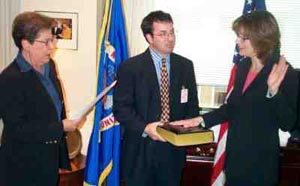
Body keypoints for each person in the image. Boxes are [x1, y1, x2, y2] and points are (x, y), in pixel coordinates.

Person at [172, 10, 299, 185]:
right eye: (238, 36)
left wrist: (273, 92)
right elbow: (232, 108)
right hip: (234, 162)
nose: (237, 41)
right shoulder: (242, 67)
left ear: (261, 38)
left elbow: (288, 123)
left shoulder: (284, 72)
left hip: (260, 167)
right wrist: (199, 120)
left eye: (243, 38)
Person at [113, 10, 199, 186]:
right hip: (139, 152)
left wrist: (189, 128)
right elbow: (121, 109)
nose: (170, 38)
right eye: (162, 34)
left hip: (172, 152)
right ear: (149, 37)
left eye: (171, 32)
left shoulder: (185, 66)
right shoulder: (130, 67)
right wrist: (146, 128)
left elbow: (192, 106)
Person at [0, 12, 84, 186]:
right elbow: (18, 129)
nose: (51, 47)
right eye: (45, 42)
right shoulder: (9, 78)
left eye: (52, 40)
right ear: (26, 44)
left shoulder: (50, 65)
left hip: (49, 159)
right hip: (22, 165)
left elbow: (55, 108)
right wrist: (61, 127)